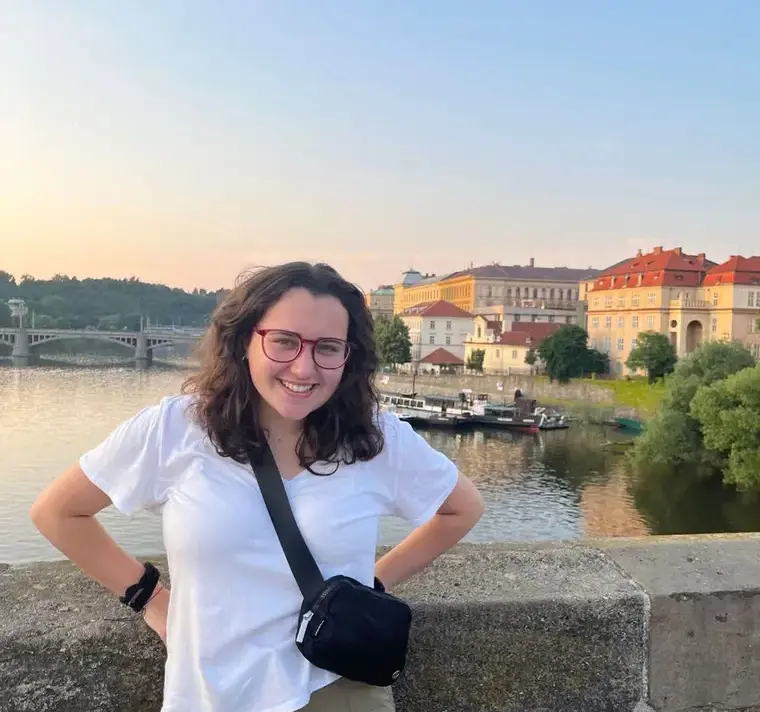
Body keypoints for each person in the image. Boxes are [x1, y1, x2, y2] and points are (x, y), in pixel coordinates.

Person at [30, 262, 485, 712]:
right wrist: (148, 597)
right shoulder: (177, 428)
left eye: (328, 348)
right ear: (245, 340)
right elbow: (58, 513)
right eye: (284, 341)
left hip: (335, 689)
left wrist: (371, 584)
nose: (304, 368)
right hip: (209, 697)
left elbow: (462, 509)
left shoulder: (377, 439)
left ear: (349, 358)